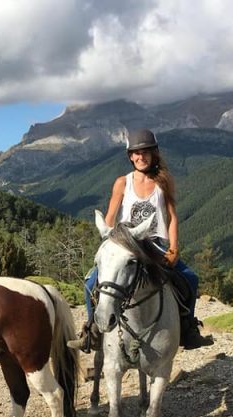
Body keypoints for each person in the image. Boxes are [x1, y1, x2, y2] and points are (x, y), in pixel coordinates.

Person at [67, 128, 213, 351]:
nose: (140, 157)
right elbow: (110, 216)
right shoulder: (122, 183)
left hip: (155, 244)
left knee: (190, 279)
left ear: (154, 154)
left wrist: (174, 248)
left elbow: (172, 217)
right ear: (130, 156)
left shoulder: (163, 182)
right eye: (136, 153)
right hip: (127, 243)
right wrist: (109, 239)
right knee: (91, 283)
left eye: (145, 152)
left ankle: (187, 328)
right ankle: (91, 331)